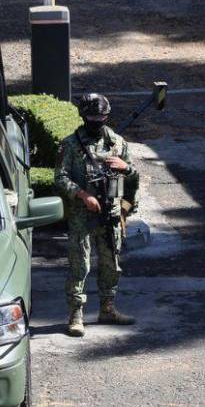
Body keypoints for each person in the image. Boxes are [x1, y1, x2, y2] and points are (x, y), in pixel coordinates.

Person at [54, 93, 139, 338]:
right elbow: (60, 178)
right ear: (83, 117)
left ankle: (108, 309)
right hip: (83, 213)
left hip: (110, 212)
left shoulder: (117, 143)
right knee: (79, 265)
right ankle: (76, 315)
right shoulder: (70, 145)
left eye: (101, 117)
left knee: (111, 263)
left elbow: (133, 180)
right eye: (92, 117)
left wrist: (126, 169)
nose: (97, 121)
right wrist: (82, 195)